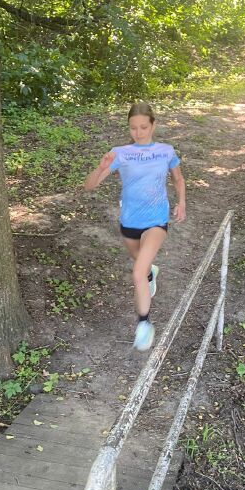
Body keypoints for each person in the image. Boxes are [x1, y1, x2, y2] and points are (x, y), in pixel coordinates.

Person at [84, 102, 186, 351]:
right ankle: (151, 273)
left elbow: (178, 178)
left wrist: (182, 202)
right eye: (133, 128)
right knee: (142, 265)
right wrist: (100, 168)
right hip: (129, 222)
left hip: (156, 221)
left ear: (153, 125)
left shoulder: (166, 151)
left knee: (137, 271)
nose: (138, 133)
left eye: (143, 127)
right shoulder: (120, 153)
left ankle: (144, 324)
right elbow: (89, 186)